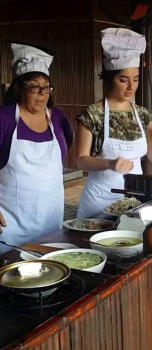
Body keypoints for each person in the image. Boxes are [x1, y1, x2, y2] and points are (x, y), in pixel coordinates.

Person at [76, 28, 152, 218]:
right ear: (111, 79)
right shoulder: (93, 113)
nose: (131, 87)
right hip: (99, 199)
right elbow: (81, 160)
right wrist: (110, 163)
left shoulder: (142, 114)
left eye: (135, 79)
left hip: (133, 200)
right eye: (123, 80)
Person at [0, 42, 74, 253]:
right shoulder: (4, 118)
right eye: (34, 86)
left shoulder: (57, 117)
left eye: (46, 87)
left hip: (51, 216)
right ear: (19, 88)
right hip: (11, 222)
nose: (41, 93)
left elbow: (65, 146)